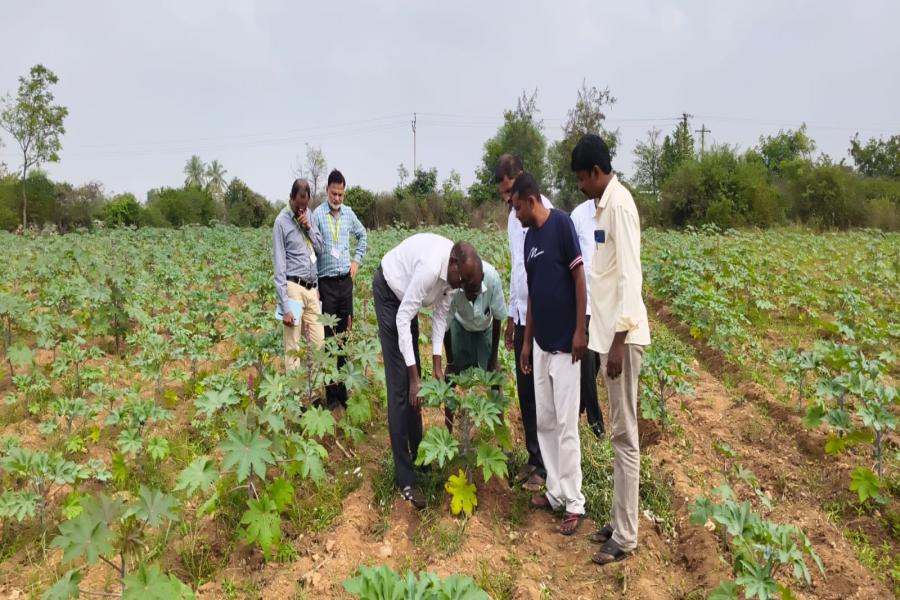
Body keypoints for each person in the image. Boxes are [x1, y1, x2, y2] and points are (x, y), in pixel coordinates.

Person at [571, 134, 651, 565]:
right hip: (608, 339)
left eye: (582, 178)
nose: (581, 186)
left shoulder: (619, 206)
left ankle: (626, 535)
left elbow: (629, 280)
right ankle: (621, 521)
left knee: (625, 437)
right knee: (620, 435)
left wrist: (618, 344)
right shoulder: (605, 205)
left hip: (623, 340)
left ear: (596, 173)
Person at [373, 234, 481, 509]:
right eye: (462, 280)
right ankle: (405, 478)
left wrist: (435, 364)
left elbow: (440, 317)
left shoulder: (455, 278)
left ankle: (420, 461)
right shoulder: (431, 269)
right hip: (390, 294)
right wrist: (413, 378)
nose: (462, 286)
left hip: (405, 301)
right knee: (401, 387)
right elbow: (402, 318)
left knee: (416, 386)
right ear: (453, 264)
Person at [513, 173, 588, 537]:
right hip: (541, 345)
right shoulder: (529, 239)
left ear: (529, 201)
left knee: (566, 426)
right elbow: (533, 296)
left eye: (516, 207)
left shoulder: (562, 224)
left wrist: (580, 329)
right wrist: (527, 343)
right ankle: (556, 492)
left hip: (566, 347)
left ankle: (574, 502)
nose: (515, 215)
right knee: (545, 420)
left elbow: (578, 279)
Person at [495, 153, 552, 492]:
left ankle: (546, 466)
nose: (507, 200)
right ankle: (534, 459)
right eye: (503, 195)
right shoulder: (512, 218)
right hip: (521, 315)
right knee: (526, 391)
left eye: (510, 192)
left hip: (543, 318)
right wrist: (512, 319)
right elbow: (518, 269)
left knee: (543, 392)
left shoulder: (545, 213)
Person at [313, 169, 368, 410]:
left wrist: (356, 261)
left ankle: (343, 391)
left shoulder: (349, 215)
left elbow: (362, 235)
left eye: (341, 195)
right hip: (325, 284)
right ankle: (331, 395)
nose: (337, 199)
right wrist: (314, 284)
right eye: (334, 194)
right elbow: (310, 251)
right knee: (327, 339)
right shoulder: (316, 215)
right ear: (327, 191)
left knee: (345, 336)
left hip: (345, 283)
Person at [443, 258, 506, 429]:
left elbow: (499, 317)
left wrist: (493, 358)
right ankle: (448, 431)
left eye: (475, 291)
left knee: (495, 377)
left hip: (486, 327)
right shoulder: (454, 284)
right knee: (450, 377)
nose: (471, 296)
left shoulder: (492, 278)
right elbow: (445, 325)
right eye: (467, 291)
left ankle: (500, 434)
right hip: (460, 326)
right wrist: (450, 362)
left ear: (482, 278)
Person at [273, 178, 325, 372]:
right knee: (293, 346)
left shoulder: (309, 216)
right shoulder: (281, 222)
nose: (301, 211)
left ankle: (312, 389)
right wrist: (285, 305)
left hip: (312, 289)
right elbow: (279, 265)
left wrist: (308, 228)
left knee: (319, 343)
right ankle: (297, 399)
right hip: (293, 288)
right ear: (291, 199)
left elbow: (320, 249)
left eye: (305, 206)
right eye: (298, 207)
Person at [570, 198, 605, 438]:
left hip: (607, 307)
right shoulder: (579, 216)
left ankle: (578, 406)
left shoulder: (613, 213)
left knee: (596, 366)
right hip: (586, 305)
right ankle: (596, 426)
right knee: (588, 362)